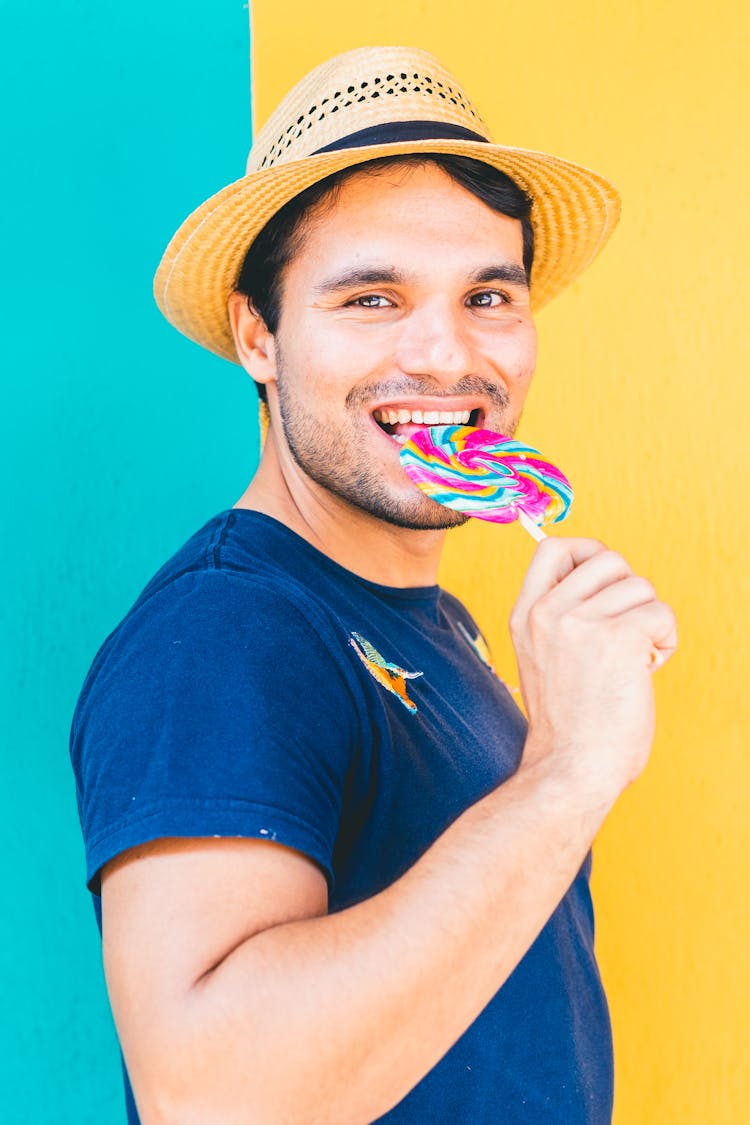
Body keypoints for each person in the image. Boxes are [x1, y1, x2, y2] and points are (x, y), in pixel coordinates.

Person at [70, 45, 677, 1125]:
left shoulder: (441, 630)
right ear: (261, 337)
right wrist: (569, 772)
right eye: (372, 298)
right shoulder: (223, 632)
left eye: (488, 294)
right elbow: (213, 1100)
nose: (446, 354)